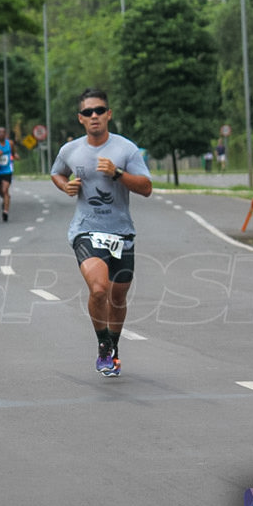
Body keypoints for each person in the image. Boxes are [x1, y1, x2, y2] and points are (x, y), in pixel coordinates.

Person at [50, 88, 152, 377]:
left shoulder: (126, 149)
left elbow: (146, 188)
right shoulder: (70, 150)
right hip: (85, 230)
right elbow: (57, 172)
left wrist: (118, 174)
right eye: (87, 112)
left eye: (99, 111)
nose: (94, 116)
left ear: (109, 114)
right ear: (80, 119)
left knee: (118, 298)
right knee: (99, 289)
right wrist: (64, 185)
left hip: (121, 233)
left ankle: (115, 348)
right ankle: (103, 347)